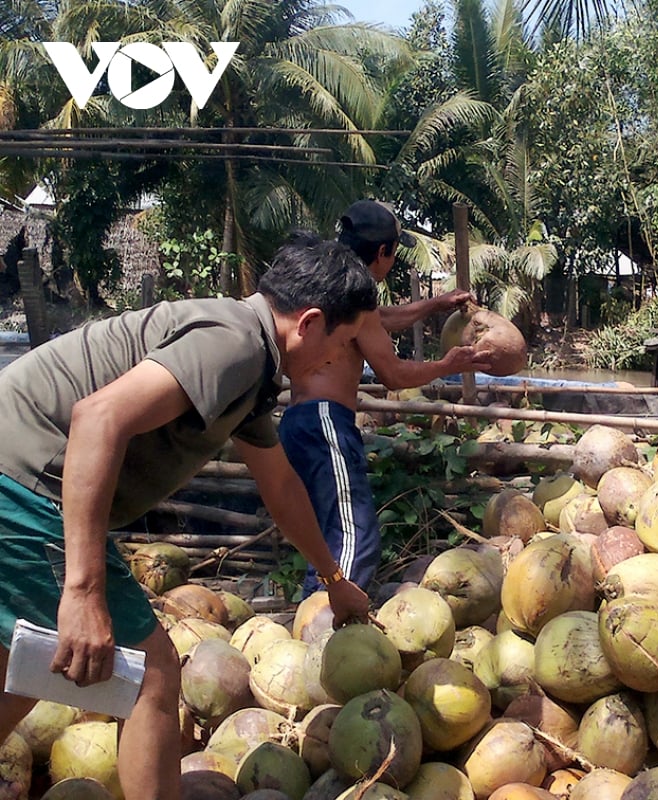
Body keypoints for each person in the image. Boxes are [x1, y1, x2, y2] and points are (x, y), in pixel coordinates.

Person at [0, 238, 376, 800]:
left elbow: (281, 487)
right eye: (343, 345)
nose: (337, 362)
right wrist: (82, 589)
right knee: (151, 675)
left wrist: (334, 581)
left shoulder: (250, 371)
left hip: (17, 480)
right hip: (23, 487)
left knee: (28, 666)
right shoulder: (235, 344)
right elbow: (97, 418)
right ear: (311, 323)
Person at [278, 201, 494, 596]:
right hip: (325, 423)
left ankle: (313, 624)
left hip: (302, 423)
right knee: (353, 539)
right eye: (394, 252)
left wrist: (432, 305)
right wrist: (448, 364)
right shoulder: (354, 293)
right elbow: (392, 374)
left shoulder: (334, 282)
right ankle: (327, 633)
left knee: (329, 535)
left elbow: (378, 320)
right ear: (383, 252)